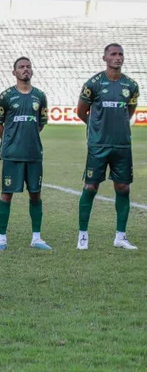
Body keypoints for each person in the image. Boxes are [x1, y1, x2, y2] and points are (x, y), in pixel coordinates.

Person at [76, 43, 140, 250]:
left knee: (123, 188)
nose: (118, 57)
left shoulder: (131, 85)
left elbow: (128, 112)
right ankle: (83, 236)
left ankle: (120, 237)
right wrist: (97, 128)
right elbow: (81, 112)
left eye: (121, 54)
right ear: (104, 58)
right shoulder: (93, 84)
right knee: (91, 186)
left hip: (122, 145)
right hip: (98, 145)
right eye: (113, 54)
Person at [0, 57, 51, 251]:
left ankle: (36, 238)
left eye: (28, 67)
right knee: (6, 194)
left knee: (35, 194)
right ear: (14, 72)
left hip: (34, 153)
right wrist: (11, 140)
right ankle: (1, 238)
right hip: (12, 154)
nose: (25, 70)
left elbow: (40, 123)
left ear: (32, 71)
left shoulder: (40, 96)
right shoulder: (6, 96)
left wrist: (28, 138)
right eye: (21, 67)